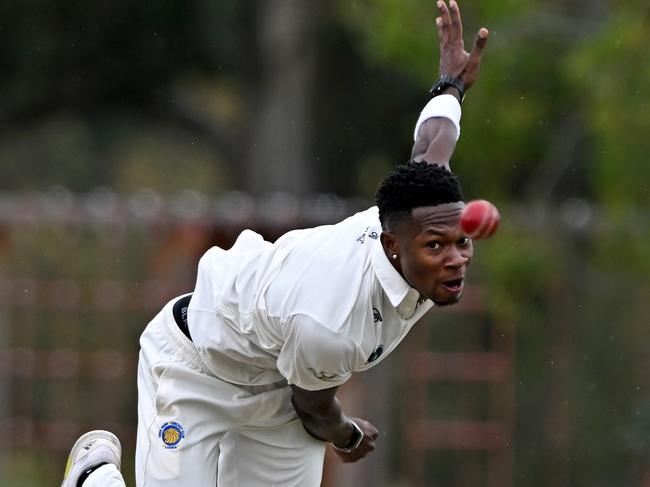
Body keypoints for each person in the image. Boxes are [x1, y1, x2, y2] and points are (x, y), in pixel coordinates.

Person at [61, 1, 489, 486]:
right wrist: (348, 436)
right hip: (200, 366)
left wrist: (449, 86)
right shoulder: (331, 323)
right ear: (393, 244)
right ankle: (93, 475)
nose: (455, 260)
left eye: (462, 244)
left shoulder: (423, 214)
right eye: (437, 248)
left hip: (283, 387)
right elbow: (315, 407)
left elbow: (431, 148)